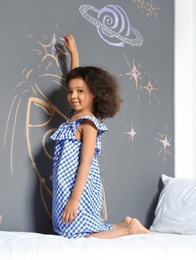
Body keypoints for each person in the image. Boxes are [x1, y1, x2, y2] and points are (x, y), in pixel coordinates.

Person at [50, 34, 151, 239]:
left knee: (77, 235)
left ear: (94, 94)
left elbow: (86, 163)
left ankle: (130, 230)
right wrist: (74, 54)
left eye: (80, 91)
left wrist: (75, 199)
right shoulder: (74, 117)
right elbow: (76, 78)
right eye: (70, 92)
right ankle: (123, 224)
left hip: (79, 187)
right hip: (65, 185)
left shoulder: (87, 124)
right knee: (65, 228)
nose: (73, 96)